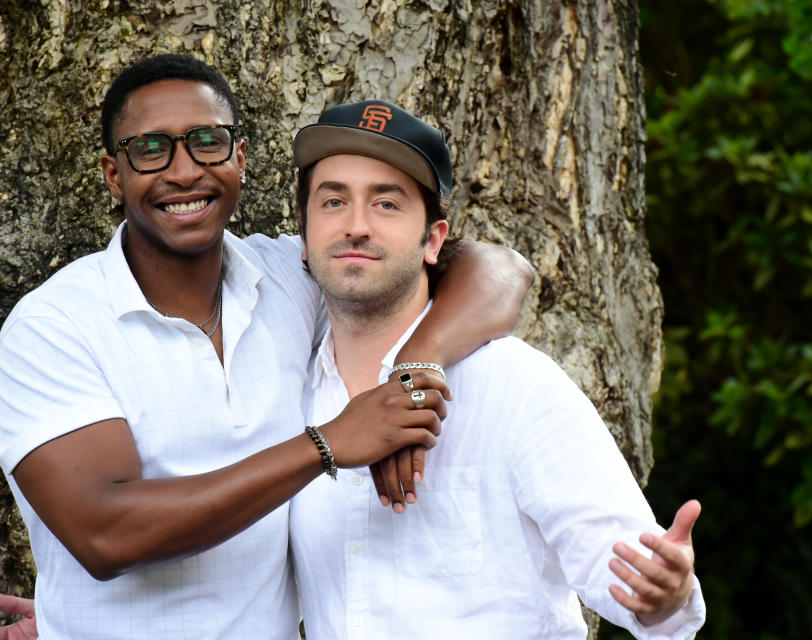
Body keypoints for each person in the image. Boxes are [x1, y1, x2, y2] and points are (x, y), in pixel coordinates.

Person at [0, 55, 532, 639]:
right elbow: (106, 535)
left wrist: (416, 361)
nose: (183, 172)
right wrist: (325, 445)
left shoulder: (285, 277)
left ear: (239, 158)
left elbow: (499, 268)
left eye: (207, 142)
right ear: (112, 172)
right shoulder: (54, 326)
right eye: (151, 149)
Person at [288, 100, 707, 639]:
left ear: (433, 240)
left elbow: (619, 560)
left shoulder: (514, 384)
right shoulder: (289, 391)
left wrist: (661, 595)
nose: (356, 226)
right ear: (303, 233)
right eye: (333, 201)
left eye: (387, 204)